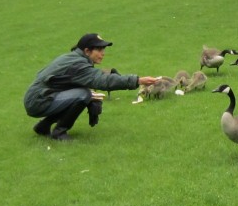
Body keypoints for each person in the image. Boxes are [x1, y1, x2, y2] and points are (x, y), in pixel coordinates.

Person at [24, 33, 159, 141]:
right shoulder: (79, 65)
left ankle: (43, 127)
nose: (103, 53)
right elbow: (103, 80)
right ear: (87, 51)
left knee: (85, 93)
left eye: (103, 49)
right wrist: (138, 80)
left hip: (39, 97)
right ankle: (59, 132)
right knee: (83, 95)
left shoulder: (72, 58)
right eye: (99, 50)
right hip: (38, 101)